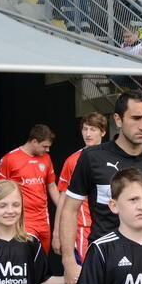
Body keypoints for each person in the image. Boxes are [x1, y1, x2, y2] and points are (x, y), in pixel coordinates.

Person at [59, 91, 142, 284]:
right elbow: (70, 209)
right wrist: (68, 260)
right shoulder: (92, 157)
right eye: (136, 118)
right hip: (105, 261)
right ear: (118, 120)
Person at [0, 125, 61, 255]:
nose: (48, 150)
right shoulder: (10, 159)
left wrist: (64, 209)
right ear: (34, 141)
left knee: (42, 259)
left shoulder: (46, 158)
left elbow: (52, 186)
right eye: (45, 146)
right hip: (22, 219)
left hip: (43, 219)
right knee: (26, 257)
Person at [55, 113, 107, 264]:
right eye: (85, 129)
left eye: (93, 129)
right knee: (88, 271)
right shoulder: (72, 161)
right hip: (84, 228)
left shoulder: (113, 157)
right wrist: (57, 233)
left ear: (103, 132)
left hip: (111, 224)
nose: (88, 134)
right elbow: (63, 199)